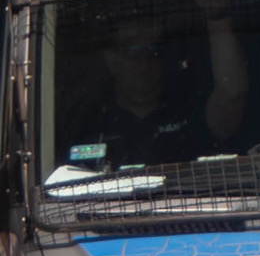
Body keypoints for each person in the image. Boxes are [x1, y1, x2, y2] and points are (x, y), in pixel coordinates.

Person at [62, 10, 248, 170]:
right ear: (112, 60)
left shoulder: (188, 108)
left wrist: (217, 18)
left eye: (154, 50)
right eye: (133, 51)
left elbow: (232, 95)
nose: (145, 61)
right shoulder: (85, 122)